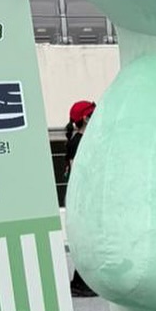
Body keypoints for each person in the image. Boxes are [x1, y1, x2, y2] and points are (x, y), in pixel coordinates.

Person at [64, 100, 97, 297]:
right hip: (84, 199)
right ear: (85, 118)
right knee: (88, 241)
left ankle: (83, 282)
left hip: (85, 198)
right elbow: (79, 173)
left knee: (91, 240)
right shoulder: (79, 142)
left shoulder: (81, 140)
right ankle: (80, 283)